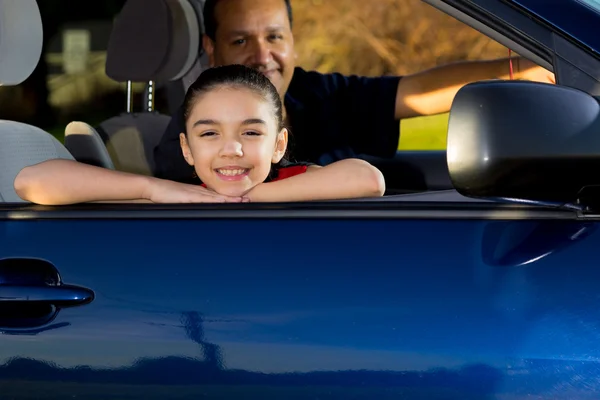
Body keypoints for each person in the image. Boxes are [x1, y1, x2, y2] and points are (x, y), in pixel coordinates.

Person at [153, 0, 556, 184]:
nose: (263, 56)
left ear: (293, 40)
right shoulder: (189, 139)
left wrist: (526, 68)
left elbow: (414, 92)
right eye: (241, 41)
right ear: (212, 49)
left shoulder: (317, 92)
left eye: (274, 36)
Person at [14, 65, 385, 205]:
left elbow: (367, 178)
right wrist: (151, 189)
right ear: (186, 149)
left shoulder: (295, 183)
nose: (232, 148)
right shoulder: (180, 196)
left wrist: (256, 196)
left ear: (279, 145)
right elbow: (32, 182)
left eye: (252, 131)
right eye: (209, 133)